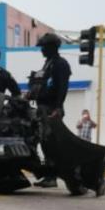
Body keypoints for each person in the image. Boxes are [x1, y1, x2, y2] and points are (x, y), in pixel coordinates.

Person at [32, 32, 71, 188]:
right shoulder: (48, 63)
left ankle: (52, 177)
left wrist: (58, 107)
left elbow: (62, 87)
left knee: (51, 142)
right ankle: (48, 174)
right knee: (44, 142)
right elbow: (42, 83)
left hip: (51, 108)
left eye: (43, 47)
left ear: (52, 47)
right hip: (42, 107)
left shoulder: (60, 64)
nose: (41, 50)